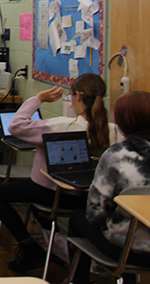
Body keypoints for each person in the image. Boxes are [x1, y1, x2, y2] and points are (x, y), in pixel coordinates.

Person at [0, 73, 122, 273]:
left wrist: (38, 99)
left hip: (51, 192)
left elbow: (16, 126)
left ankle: (30, 248)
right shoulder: (114, 131)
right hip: (89, 199)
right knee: (35, 205)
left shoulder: (60, 126)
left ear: (78, 97)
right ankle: (54, 249)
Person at [68, 91, 150, 284]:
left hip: (128, 250)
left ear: (122, 123)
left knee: (77, 218)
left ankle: (79, 280)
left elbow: (95, 213)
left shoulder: (117, 155)